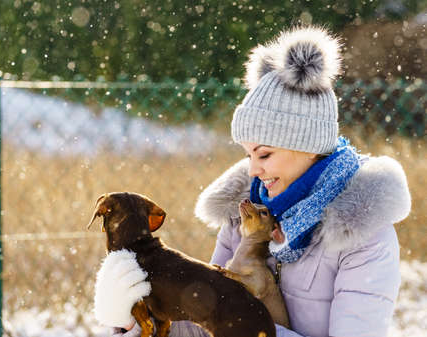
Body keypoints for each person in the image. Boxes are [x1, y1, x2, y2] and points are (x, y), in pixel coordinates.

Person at [109, 25, 411, 337]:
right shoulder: (245, 216)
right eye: (248, 154)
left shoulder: (361, 235)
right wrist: (144, 322)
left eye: (264, 155)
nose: (253, 170)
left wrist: (251, 329)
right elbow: (208, 321)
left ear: (309, 147)